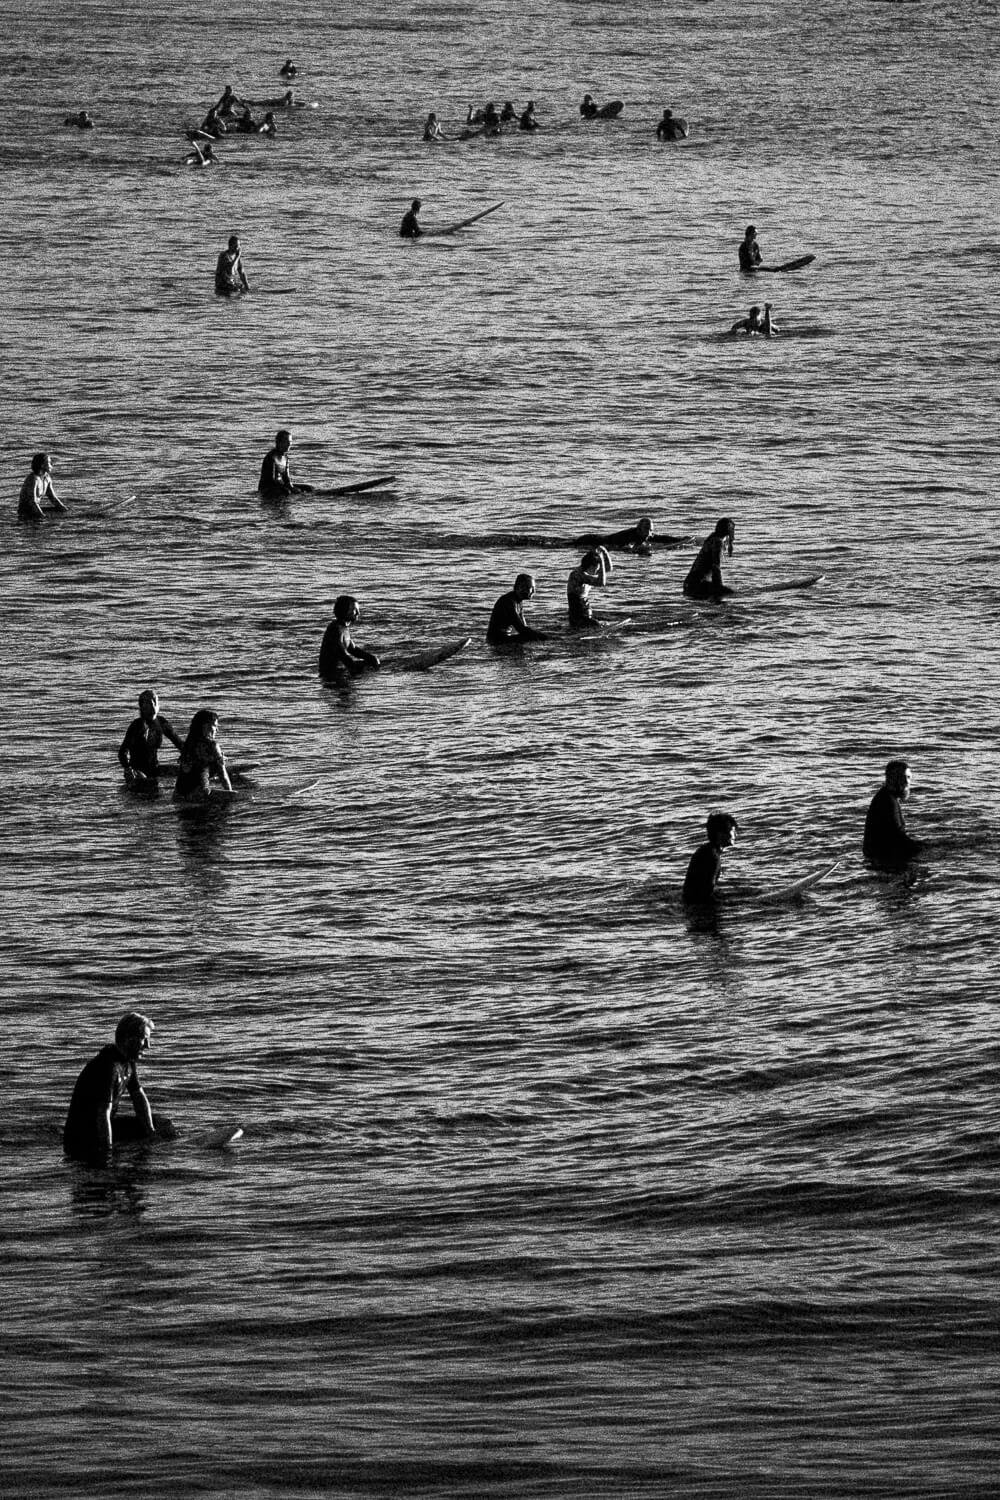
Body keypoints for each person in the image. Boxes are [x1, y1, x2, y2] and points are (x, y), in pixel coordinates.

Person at [63, 1012, 173, 1163]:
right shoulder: (108, 1067)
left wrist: (151, 1132)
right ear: (129, 1039)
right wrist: (107, 1152)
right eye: (144, 1039)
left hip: (102, 1125)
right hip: (84, 1135)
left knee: (162, 1125)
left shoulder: (127, 1062)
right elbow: (103, 1114)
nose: (148, 1045)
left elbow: (139, 1097)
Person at [118, 690, 183, 789]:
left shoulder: (161, 722)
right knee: (151, 788)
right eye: (148, 702)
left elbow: (179, 743)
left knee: (184, 772)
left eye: (155, 701)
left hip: (154, 768)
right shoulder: (137, 726)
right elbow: (122, 752)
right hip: (137, 771)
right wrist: (128, 769)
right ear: (142, 707)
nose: (153, 705)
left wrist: (188, 755)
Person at [863, 760, 923, 865]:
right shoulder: (887, 801)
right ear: (892, 779)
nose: (907, 782)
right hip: (883, 859)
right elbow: (898, 837)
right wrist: (922, 849)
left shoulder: (886, 797)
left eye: (909, 778)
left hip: (879, 856)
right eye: (903, 777)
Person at [173, 709, 233, 801]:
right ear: (205, 726)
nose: (217, 729)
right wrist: (231, 793)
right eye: (215, 726)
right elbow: (223, 776)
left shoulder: (188, 743)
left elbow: (195, 769)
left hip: (177, 795)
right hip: (199, 794)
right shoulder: (212, 745)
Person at [318, 595, 381, 678]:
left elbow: (353, 649)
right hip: (332, 674)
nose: (358, 613)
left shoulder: (343, 628)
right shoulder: (336, 629)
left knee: (373, 663)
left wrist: (371, 658)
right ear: (344, 611)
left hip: (340, 670)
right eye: (355, 610)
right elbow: (342, 654)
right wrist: (354, 668)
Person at [683, 813, 739, 903]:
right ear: (720, 834)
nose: (736, 835)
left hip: (689, 902)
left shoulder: (705, 850)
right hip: (697, 907)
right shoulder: (713, 857)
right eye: (733, 831)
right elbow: (706, 892)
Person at [486, 573, 545, 645]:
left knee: (532, 637)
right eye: (531, 588)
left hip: (503, 638)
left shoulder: (518, 601)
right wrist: (544, 637)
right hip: (497, 640)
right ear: (520, 588)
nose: (534, 591)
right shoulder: (508, 602)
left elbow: (524, 626)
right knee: (530, 638)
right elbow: (521, 629)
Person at [683, 518, 735, 598]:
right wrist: (718, 587)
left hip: (690, 583)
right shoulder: (718, 542)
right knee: (732, 594)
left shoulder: (712, 538)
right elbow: (716, 567)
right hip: (697, 584)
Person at [258, 429, 312, 499]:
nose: (289, 444)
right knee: (287, 491)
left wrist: (292, 487)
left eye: (290, 442)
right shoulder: (271, 457)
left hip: (281, 485)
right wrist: (289, 488)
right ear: (279, 443)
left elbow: (286, 478)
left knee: (309, 488)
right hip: (268, 487)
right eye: (287, 442)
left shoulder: (286, 458)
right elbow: (271, 480)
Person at [567, 546, 612, 627]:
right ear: (591, 566)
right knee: (597, 625)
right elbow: (601, 583)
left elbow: (608, 568)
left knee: (602, 623)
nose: (596, 571)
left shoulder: (587, 571)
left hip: (585, 612)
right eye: (596, 569)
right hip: (578, 615)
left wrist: (605, 552)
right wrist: (601, 561)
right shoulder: (577, 574)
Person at [18, 453, 67, 520]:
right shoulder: (33, 479)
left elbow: (53, 498)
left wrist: (64, 509)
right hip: (25, 513)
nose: (51, 465)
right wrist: (42, 516)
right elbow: (33, 502)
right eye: (49, 462)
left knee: (63, 513)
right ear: (42, 465)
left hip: (36, 510)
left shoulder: (47, 478)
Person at [574, 517, 654, 556]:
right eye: (646, 529)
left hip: (600, 540)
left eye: (651, 530)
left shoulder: (643, 535)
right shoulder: (632, 536)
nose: (649, 533)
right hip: (591, 540)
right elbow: (626, 548)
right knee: (570, 545)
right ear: (639, 529)